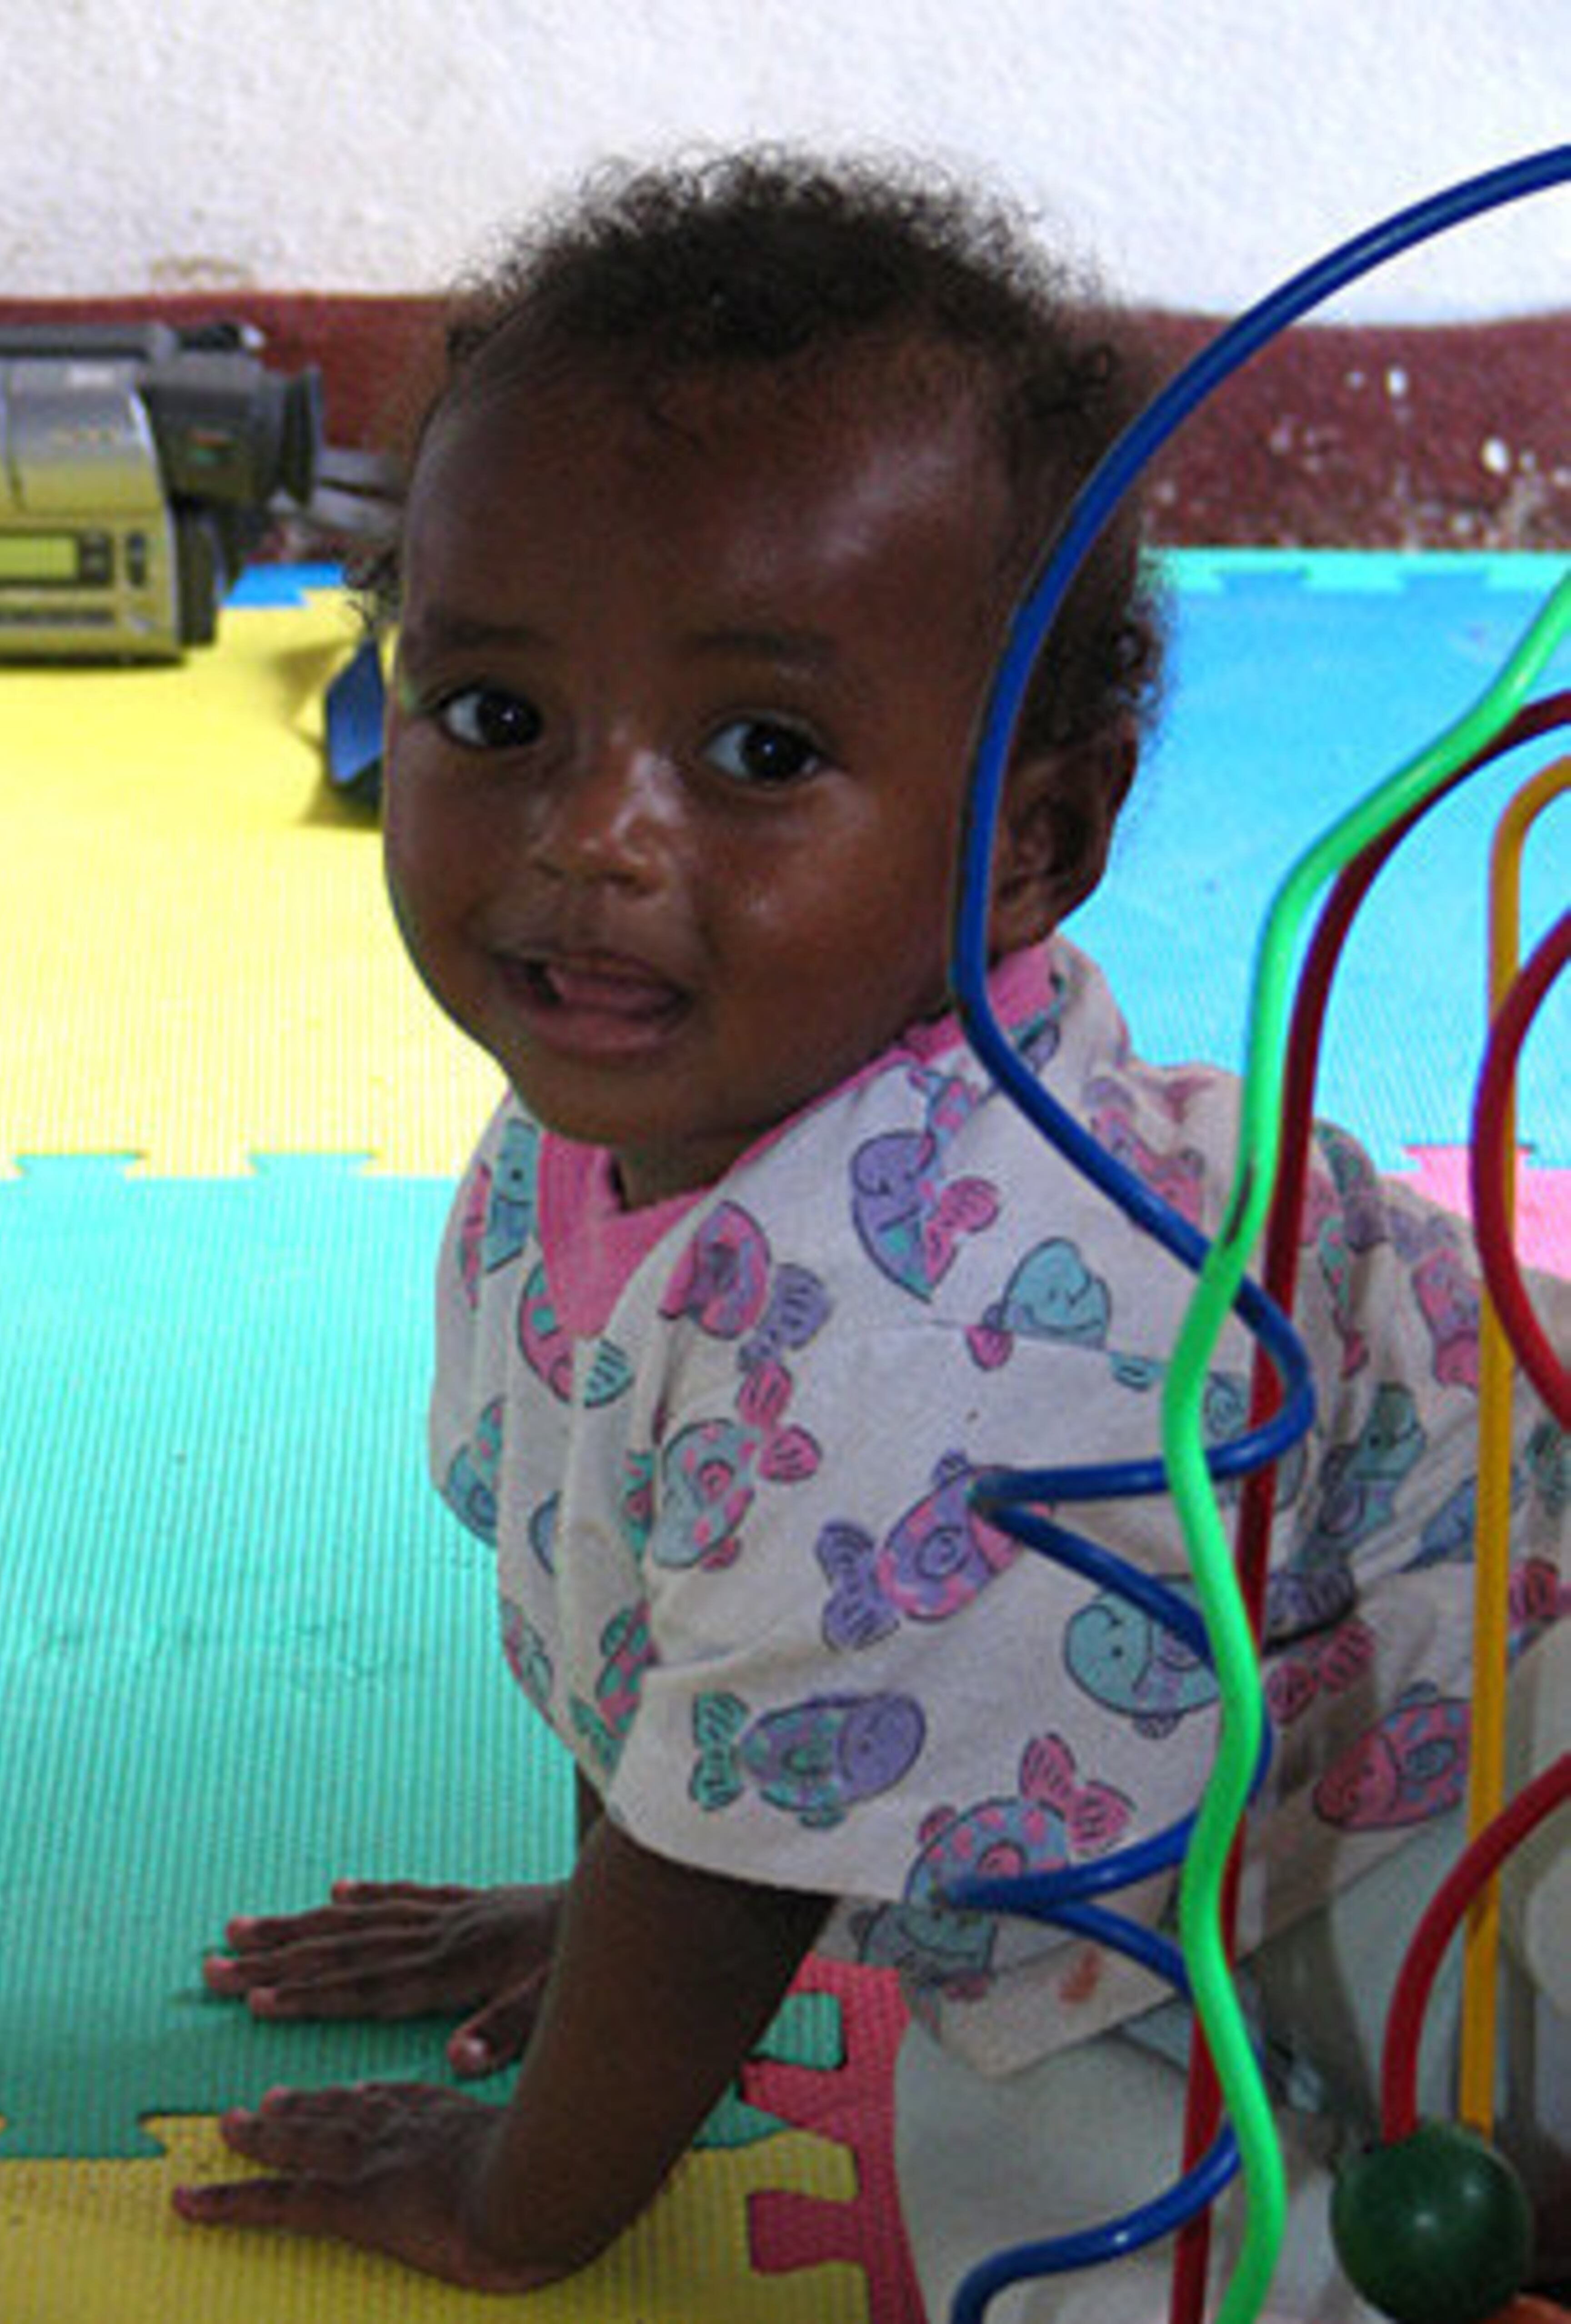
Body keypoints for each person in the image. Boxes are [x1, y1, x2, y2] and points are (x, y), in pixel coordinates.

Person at [172, 153, 1568, 2315]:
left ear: (1035, 840)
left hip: (1496, 1733)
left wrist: (511, 2201)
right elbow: (675, 1623)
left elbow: (738, 1830)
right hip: (1268, 1742)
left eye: (759, 749)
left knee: (1066, 2226)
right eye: (495, 714)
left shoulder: (916, 1338)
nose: (589, 839)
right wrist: (631, 1898)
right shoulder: (613, 1142)